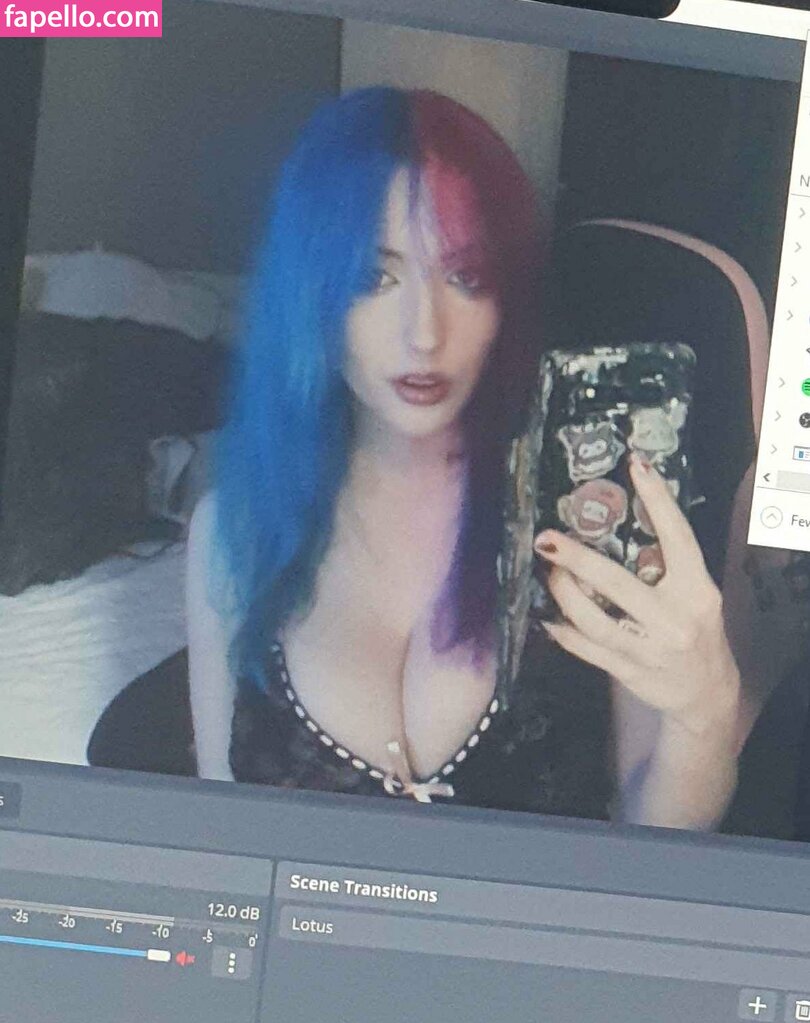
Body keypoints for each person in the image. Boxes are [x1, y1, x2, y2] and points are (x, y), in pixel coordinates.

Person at [187, 86, 742, 829]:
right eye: (372, 278)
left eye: (466, 277)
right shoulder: (232, 530)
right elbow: (221, 818)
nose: (424, 332)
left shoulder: (586, 510)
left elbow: (658, 835)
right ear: (308, 294)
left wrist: (705, 714)